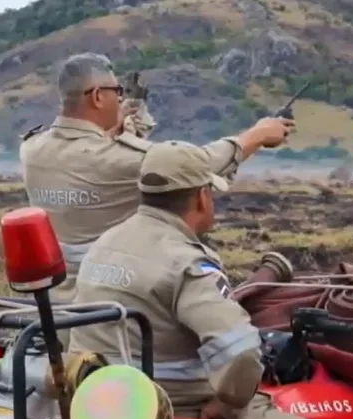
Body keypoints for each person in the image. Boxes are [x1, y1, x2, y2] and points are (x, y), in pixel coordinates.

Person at [68, 140, 339, 419]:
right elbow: (241, 355)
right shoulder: (186, 263)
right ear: (201, 196)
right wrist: (228, 406)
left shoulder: (105, 245)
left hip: (103, 415)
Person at [19, 52, 294, 308]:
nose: (119, 98)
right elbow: (196, 163)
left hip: (58, 299)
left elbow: (86, 150)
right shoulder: (118, 160)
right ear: (98, 97)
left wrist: (125, 118)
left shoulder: (31, 148)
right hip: (116, 297)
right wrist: (257, 135)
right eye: (117, 92)